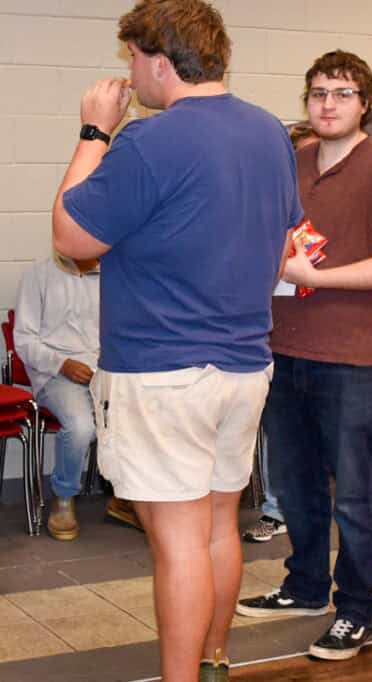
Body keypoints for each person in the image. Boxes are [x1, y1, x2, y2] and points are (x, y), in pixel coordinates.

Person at [49, 1, 303, 680]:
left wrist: (93, 133)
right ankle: (215, 661)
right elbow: (279, 251)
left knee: (178, 543)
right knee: (219, 524)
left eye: (132, 57)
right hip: (245, 366)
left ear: (159, 61)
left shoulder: (149, 140)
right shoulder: (269, 134)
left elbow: (71, 240)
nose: (129, 72)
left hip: (163, 371)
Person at [235, 50, 372, 662]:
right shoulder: (295, 161)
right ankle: (307, 586)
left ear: (364, 103)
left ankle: (356, 608)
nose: (328, 104)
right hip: (284, 348)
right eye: (318, 93)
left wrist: (316, 275)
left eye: (341, 93)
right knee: (295, 485)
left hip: (354, 357)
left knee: (356, 494)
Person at [243, 120, 319, 545]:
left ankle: (311, 505)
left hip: (323, 330)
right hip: (269, 331)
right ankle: (275, 508)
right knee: (277, 423)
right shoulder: (265, 205)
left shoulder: (331, 206)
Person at [14, 253, 100, 539]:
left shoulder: (113, 276)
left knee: (148, 414)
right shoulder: (38, 275)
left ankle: (126, 497)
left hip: (104, 372)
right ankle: (64, 497)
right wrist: (62, 364)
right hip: (55, 374)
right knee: (80, 427)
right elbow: (24, 340)